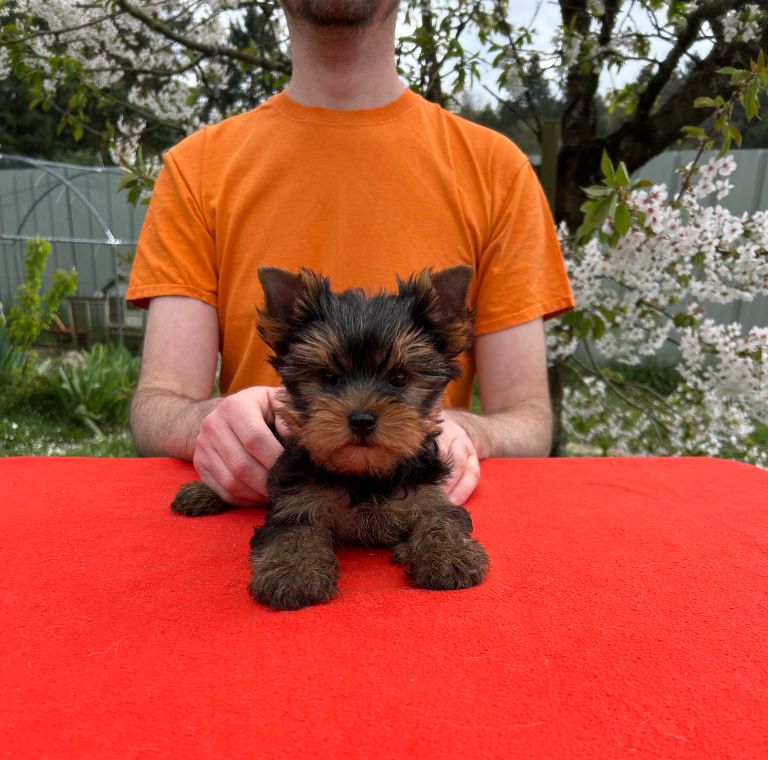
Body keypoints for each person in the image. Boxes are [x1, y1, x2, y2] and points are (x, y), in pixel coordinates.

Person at [126, 0, 574, 506]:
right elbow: (157, 408)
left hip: (421, 507)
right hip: (262, 509)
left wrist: (466, 431)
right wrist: (208, 424)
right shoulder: (195, 169)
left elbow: (529, 420)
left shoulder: (499, 171)